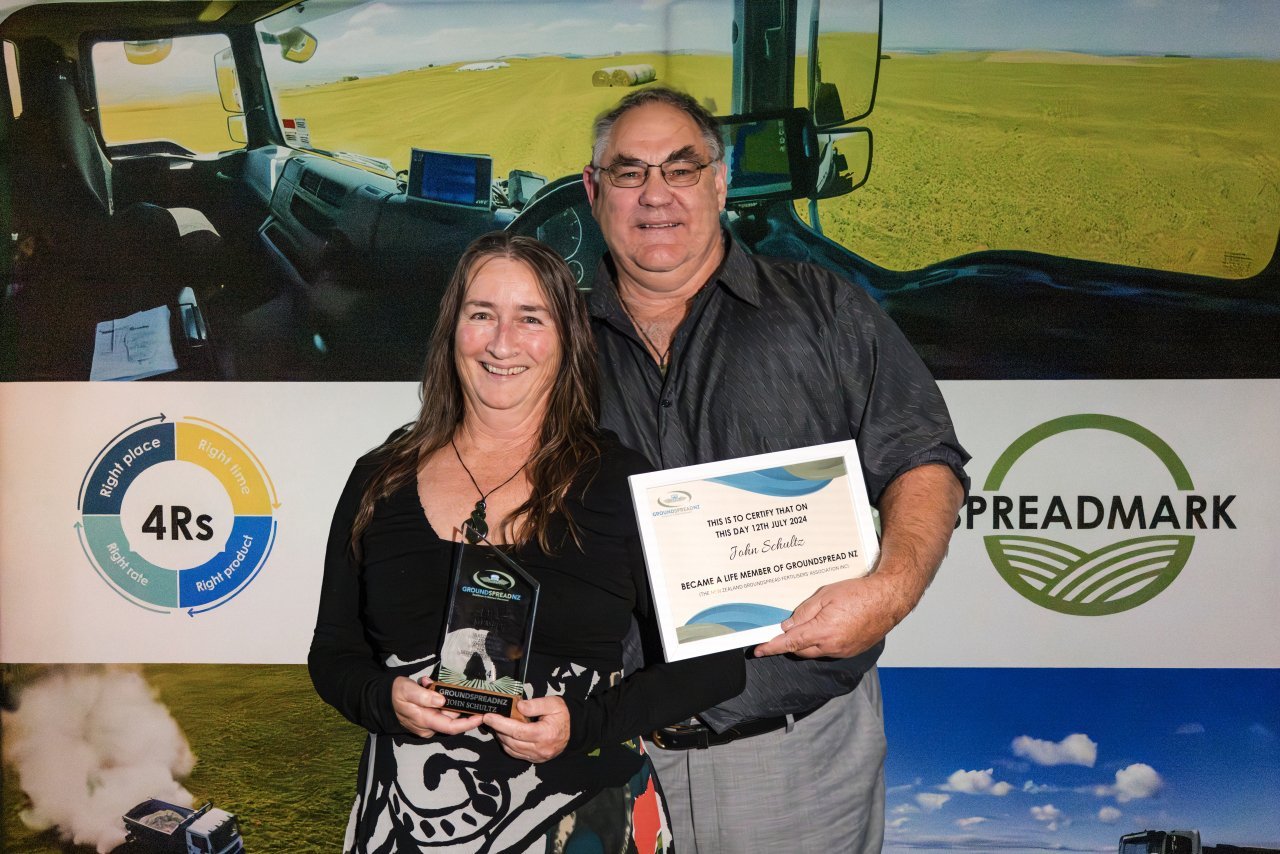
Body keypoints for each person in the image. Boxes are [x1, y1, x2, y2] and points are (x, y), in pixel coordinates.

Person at [582, 87, 969, 851]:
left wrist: (889, 592)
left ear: (720, 183)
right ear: (594, 191)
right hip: (600, 760)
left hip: (797, 756)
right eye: (628, 173)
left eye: (680, 169)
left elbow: (924, 459)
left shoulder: (824, 308)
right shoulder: (546, 338)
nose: (655, 194)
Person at [310, 231, 745, 853]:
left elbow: (715, 665)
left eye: (530, 318)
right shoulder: (379, 480)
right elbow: (333, 652)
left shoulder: (624, 482)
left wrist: (583, 725)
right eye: (481, 314)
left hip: (586, 823)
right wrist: (382, 698)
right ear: (451, 331)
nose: (502, 342)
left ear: (567, 340)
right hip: (408, 825)